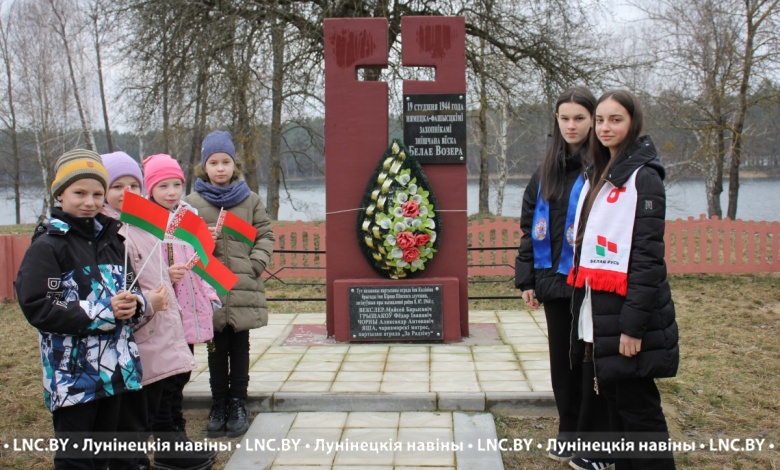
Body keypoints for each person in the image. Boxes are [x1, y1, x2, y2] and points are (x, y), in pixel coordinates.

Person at [568, 90, 679, 470]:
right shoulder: (598, 172)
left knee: (639, 412)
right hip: (599, 307)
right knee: (614, 406)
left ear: (633, 123)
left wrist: (632, 328)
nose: (604, 127)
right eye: (600, 120)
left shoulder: (643, 178)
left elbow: (647, 261)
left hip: (628, 314)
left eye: (616, 119)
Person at [16, 149, 145, 470]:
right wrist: (106, 311)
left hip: (117, 373)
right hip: (73, 379)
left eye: (98, 194)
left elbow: (133, 290)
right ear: (59, 193)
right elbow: (42, 305)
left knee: (111, 456)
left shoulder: (114, 240)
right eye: (79, 193)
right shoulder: (48, 246)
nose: (89, 201)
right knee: (78, 460)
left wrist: (135, 305)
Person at [515, 87, 612, 469]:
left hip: (591, 285)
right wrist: (527, 280)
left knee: (591, 364)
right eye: (564, 118)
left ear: (593, 122)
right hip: (554, 284)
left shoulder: (604, 170)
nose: (571, 126)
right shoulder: (545, 174)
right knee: (564, 365)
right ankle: (569, 433)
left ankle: (596, 443)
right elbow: (529, 230)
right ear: (556, 122)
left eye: (580, 118)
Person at [101, 151, 213, 470]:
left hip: (160, 322)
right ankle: (146, 456)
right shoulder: (110, 230)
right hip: (138, 327)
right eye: (117, 185)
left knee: (162, 393)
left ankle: (162, 451)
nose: (126, 193)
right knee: (137, 409)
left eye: (133, 185)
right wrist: (149, 300)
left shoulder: (142, 224)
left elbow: (157, 268)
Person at [185, 131, 274, 438]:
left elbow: (265, 234)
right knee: (214, 347)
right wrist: (199, 242)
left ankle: (238, 402)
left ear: (234, 164)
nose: (220, 168)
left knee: (239, 346)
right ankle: (219, 403)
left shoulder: (250, 200)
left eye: (225, 162)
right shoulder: (191, 203)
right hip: (208, 288)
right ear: (204, 166)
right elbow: (179, 243)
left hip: (241, 286)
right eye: (213, 162)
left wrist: (255, 264)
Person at [141, 153, 220, 469]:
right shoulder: (144, 221)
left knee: (183, 371)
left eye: (176, 184)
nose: (171, 191)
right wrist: (165, 274)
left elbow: (200, 260)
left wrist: (206, 244)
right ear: (150, 189)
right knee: (166, 379)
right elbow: (143, 264)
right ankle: (167, 443)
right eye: (163, 185)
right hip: (160, 310)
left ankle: (177, 435)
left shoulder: (188, 215)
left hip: (188, 307)